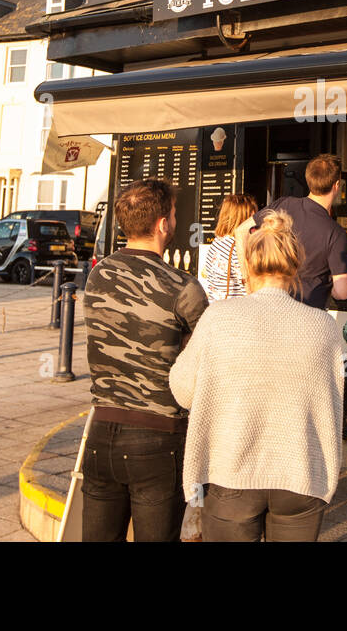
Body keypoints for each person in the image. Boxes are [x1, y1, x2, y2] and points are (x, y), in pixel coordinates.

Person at [169, 210, 343, 541]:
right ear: (295, 265)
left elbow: (183, 390)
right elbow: (332, 403)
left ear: (247, 264)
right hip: (302, 475)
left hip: (231, 471)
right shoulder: (324, 327)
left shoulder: (218, 318)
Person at [80, 180, 208, 541]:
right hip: (158, 439)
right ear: (163, 224)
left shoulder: (98, 274)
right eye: (173, 214)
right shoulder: (182, 287)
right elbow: (206, 355)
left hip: (101, 432)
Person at [238, 153, 347, 309]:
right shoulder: (336, 234)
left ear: (309, 180)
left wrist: (247, 279)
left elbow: (241, 231)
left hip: (271, 308)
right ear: (337, 185)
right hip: (308, 315)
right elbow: (342, 292)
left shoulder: (283, 204)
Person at [201, 194, 257, 302]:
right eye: (252, 218)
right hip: (236, 312)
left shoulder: (217, 243)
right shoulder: (238, 248)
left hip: (216, 309)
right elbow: (250, 288)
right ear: (243, 220)